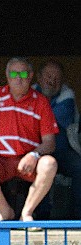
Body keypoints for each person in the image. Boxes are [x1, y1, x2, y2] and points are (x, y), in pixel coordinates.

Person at [0, 57, 58, 223]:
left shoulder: (41, 101)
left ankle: (27, 213)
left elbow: (50, 142)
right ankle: (5, 210)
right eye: (14, 73)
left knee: (50, 164)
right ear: (7, 75)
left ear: (30, 76)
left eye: (23, 73)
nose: (19, 78)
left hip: (27, 160)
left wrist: (34, 155)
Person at [33, 60, 81, 219]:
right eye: (48, 76)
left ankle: (78, 217)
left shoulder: (67, 95)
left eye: (57, 78)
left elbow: (48, 119)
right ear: (38, 77)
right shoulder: (30, 92)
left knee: (79, 167)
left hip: (62, 151)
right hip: (36, 151)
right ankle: (40, 216)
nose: (52, 81)